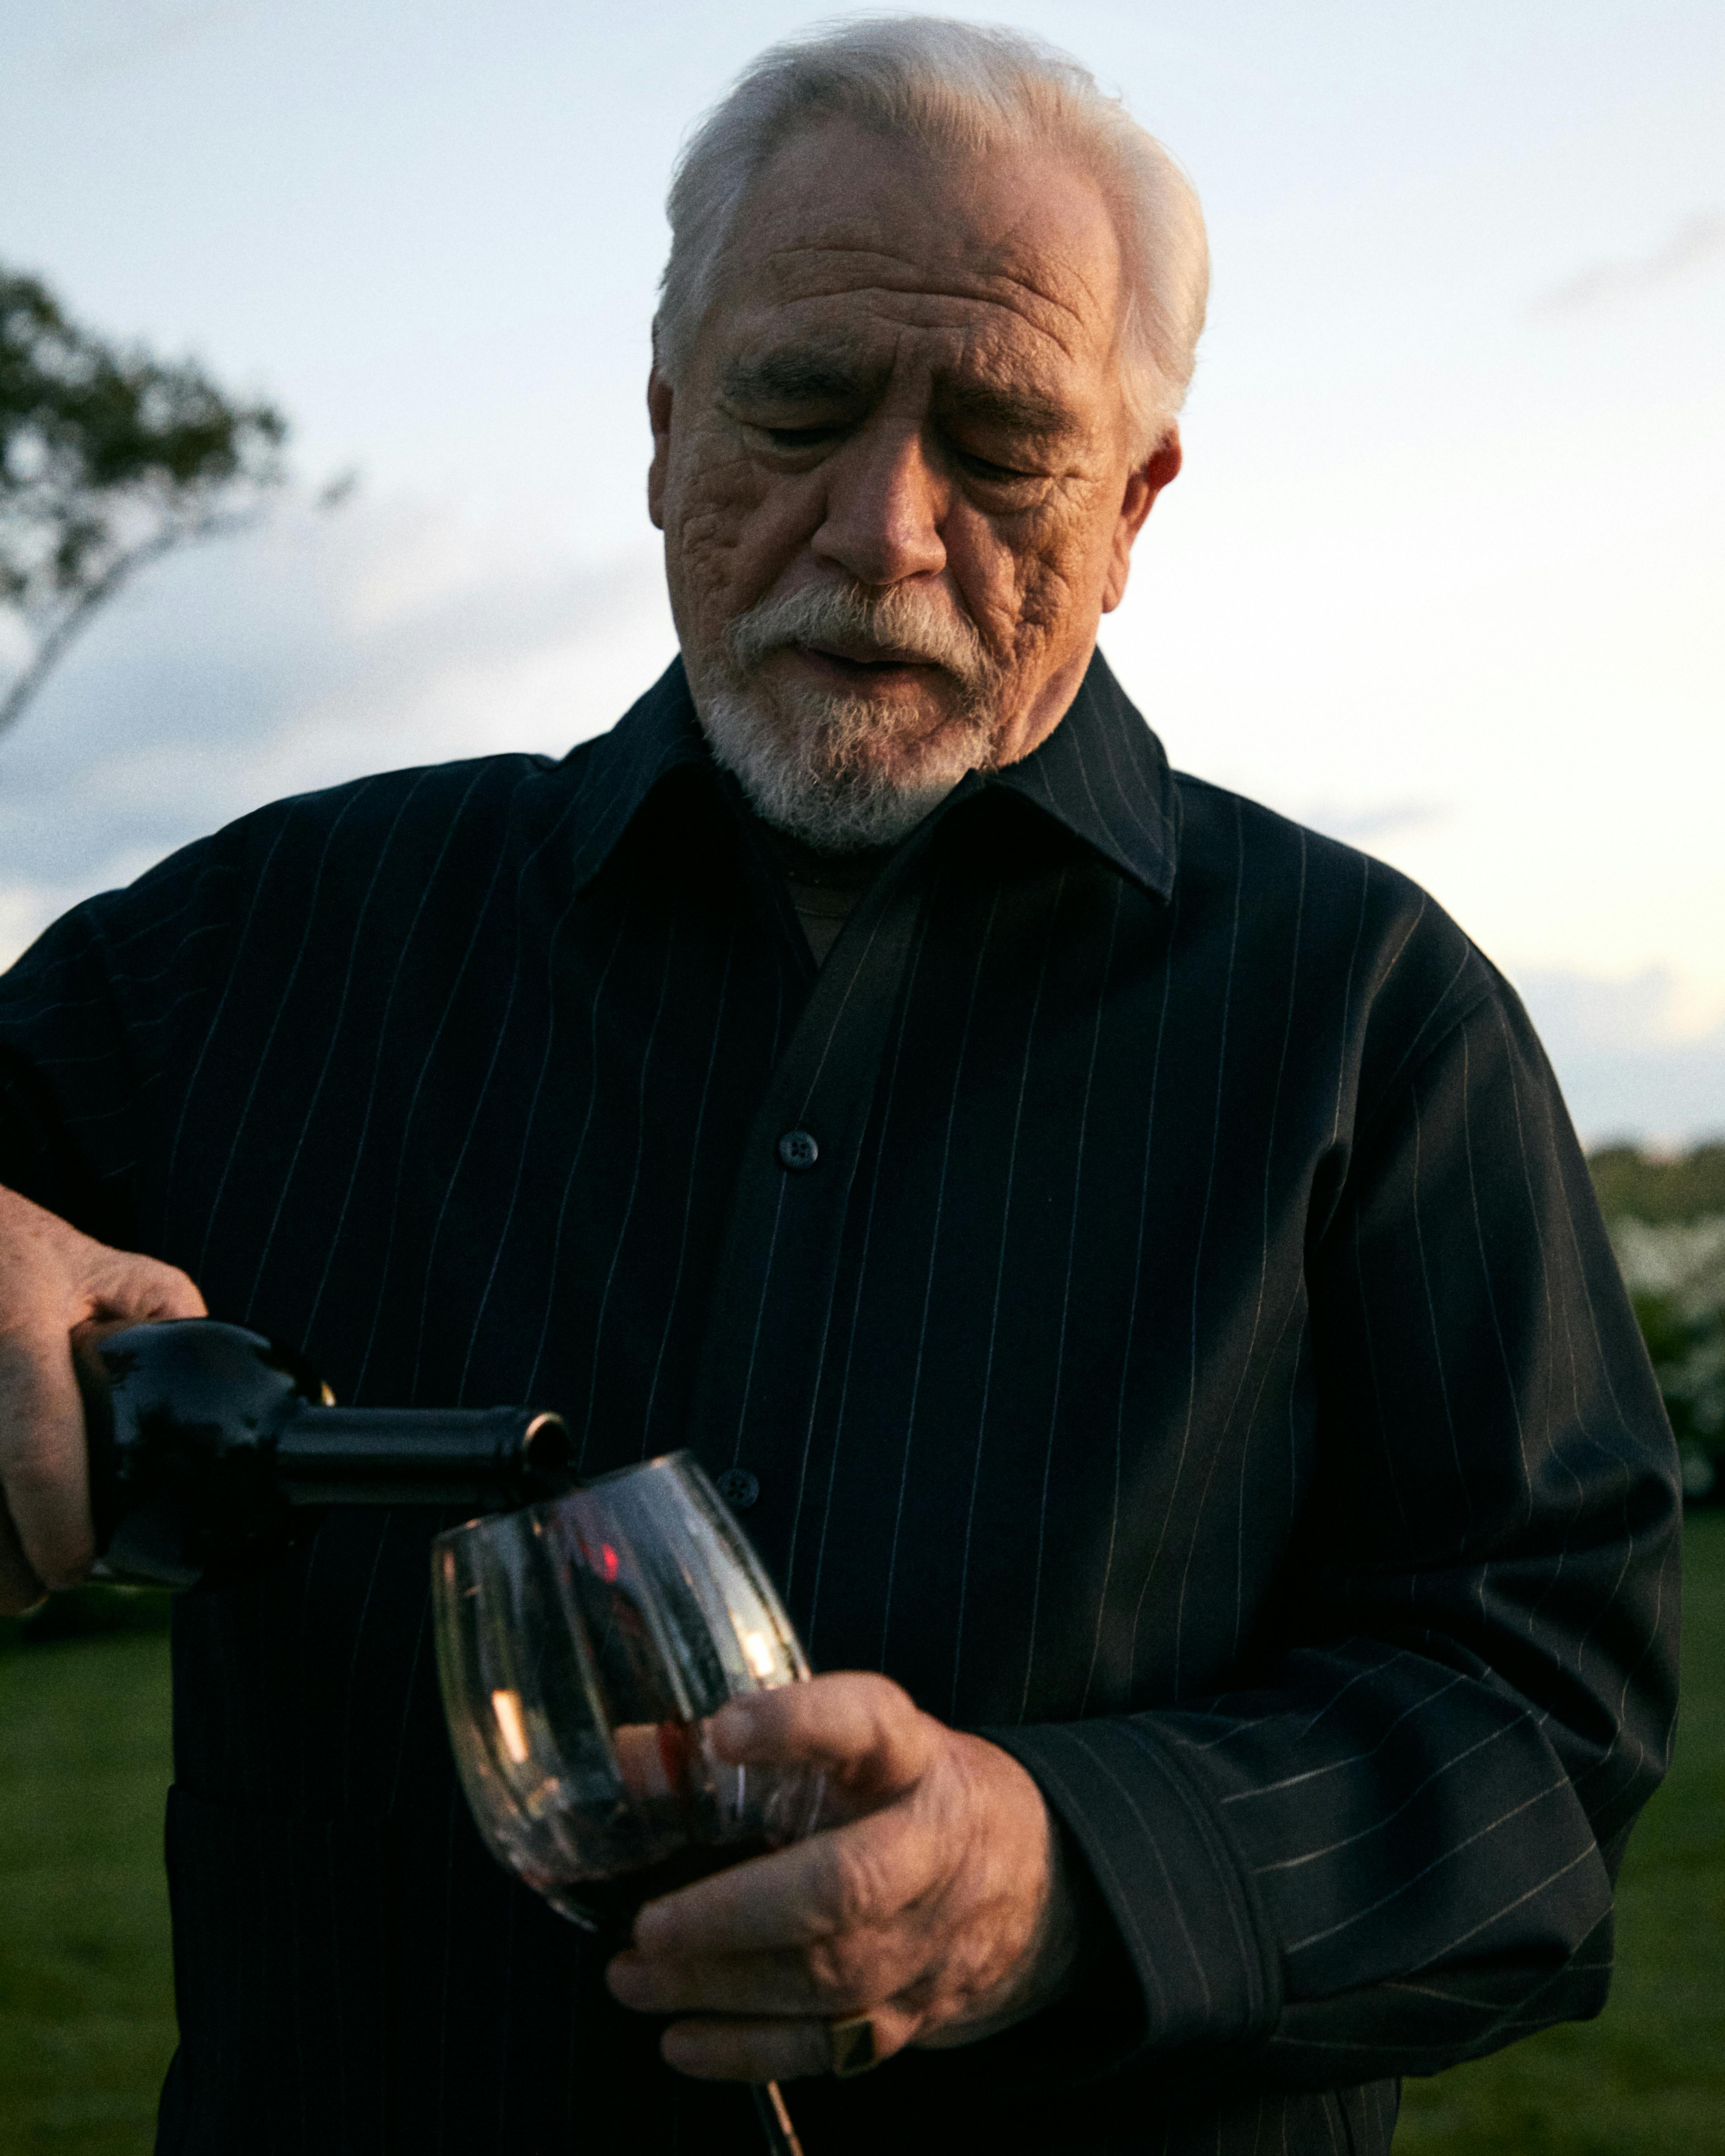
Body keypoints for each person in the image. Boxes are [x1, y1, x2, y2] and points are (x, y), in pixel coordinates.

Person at [0, 20, 1680, 2156]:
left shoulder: (1374, 1020)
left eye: (1003, 444)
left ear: (1141, 499)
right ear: (664, 425)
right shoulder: (258, 946)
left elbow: (1543, 1742)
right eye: (800, 406)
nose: (885, 529)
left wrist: (1058, 1872)